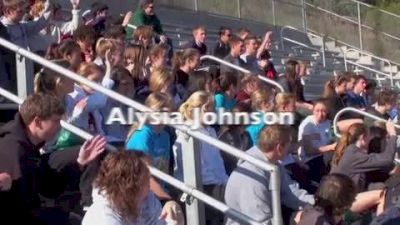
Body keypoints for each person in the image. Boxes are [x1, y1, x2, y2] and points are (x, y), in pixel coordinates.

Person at [0, 93, 106, 225]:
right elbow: (21, 204)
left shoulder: (28, 146)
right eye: (56, 121)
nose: (60, 127)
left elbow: (45, 187)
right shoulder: (14, 151)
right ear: (38, 122)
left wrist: (80, 162)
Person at [225, 125, 314, 225]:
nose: (290, 151)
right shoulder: (251, 177)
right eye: (289, 146)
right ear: (279, 148)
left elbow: (291, 193)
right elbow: (260, 221)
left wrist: (317, 205)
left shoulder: (275, 165)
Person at [82, 151, 185, 225]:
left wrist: (172, 214)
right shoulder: (102, 217)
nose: (150, 178)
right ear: (130, 183)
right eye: (145, 174)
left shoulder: (147, 199)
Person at [174, 91, 228, 225]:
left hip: (217, 183)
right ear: (204, 108)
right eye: (212, 108)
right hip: (203, 188)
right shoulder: (188, 132)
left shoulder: (210, 131)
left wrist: (225, 181)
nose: (215, 112)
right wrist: (221, 187)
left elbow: (217, 161)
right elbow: (199, 170)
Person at [331, 122, 397, 192]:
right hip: (342, 197)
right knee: (383, 192)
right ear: (363, 138)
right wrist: (393, 135)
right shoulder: (353, 154)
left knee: (381, 186)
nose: (370, 139)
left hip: (346, 191)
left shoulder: (349, 149)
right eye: (369, 136)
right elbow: (387, 159)